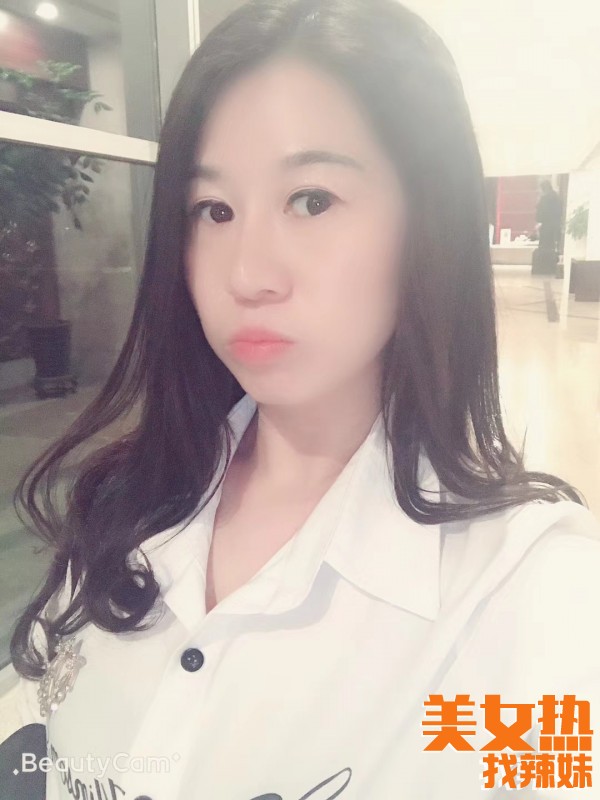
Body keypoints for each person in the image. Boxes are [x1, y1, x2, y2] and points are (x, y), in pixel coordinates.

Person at [2, 0, 600, 798]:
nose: (248, 273)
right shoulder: (130, 495)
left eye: (311, 200)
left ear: (426, 222)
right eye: (214, 211)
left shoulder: (534, 595)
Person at [536, 179, 562, 253]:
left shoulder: (544, 199)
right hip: (555, 227)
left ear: (543, 189)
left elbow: (539, 216)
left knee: (544, 249)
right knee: (552, 249)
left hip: (546, 228)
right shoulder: (557, 197)